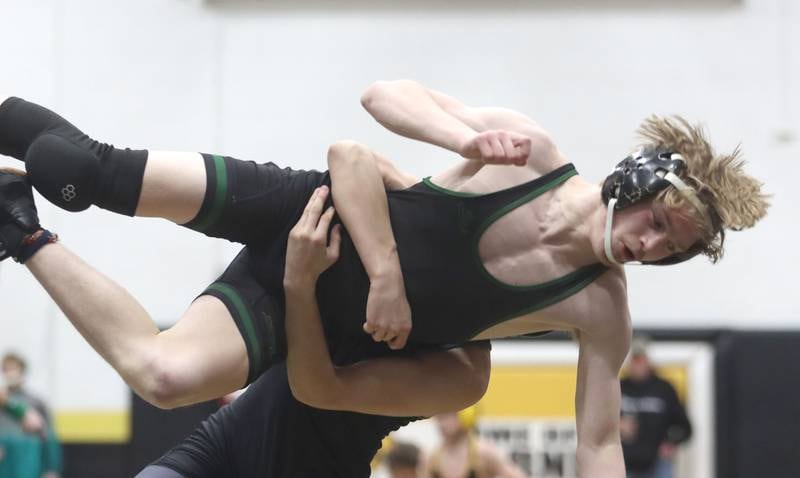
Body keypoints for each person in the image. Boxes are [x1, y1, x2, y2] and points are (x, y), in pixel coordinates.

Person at [0, 78, 768, 476]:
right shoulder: (529, 154)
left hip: (312, 299)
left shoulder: (600, 308)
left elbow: (599, 439)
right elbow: (380, 100)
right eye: (659, 223)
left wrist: (381, 287)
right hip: (309, 206)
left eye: (673, 249)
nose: (652, 247)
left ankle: (17, 225)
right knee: (81, 168)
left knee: (164, 375)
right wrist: (461, 136)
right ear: (633, 186)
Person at [132, 185, 488, 477]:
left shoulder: (463, 374)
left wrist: (299, 282)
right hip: (224, 448)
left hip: (317, 467)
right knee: (162, 378)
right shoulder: (398, 256)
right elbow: (349, 152)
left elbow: (317, 388)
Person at [620, 339, 692, 478]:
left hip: (657, 464)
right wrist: (618, 425)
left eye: (641, 359)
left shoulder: (664, 389)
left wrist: (671, 442)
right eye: (635, 360)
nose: (638, 365)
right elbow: (599, 423)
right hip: (625, 463)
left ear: (648, 361)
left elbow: (685, 428)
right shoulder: (619, 387)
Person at [0, 352, 61, 478]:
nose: (9, 373)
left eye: (13, 368)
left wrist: (51, 468)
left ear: (22, 370)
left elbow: (47, 436)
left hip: (28, 459)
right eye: (6, 369)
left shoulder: (36, 402)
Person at [425, 407, 526, 478]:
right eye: (439, 417)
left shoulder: (483, 453)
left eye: (447, 416)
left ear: (466, 415)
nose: (441, 423)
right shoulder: (432, 458)